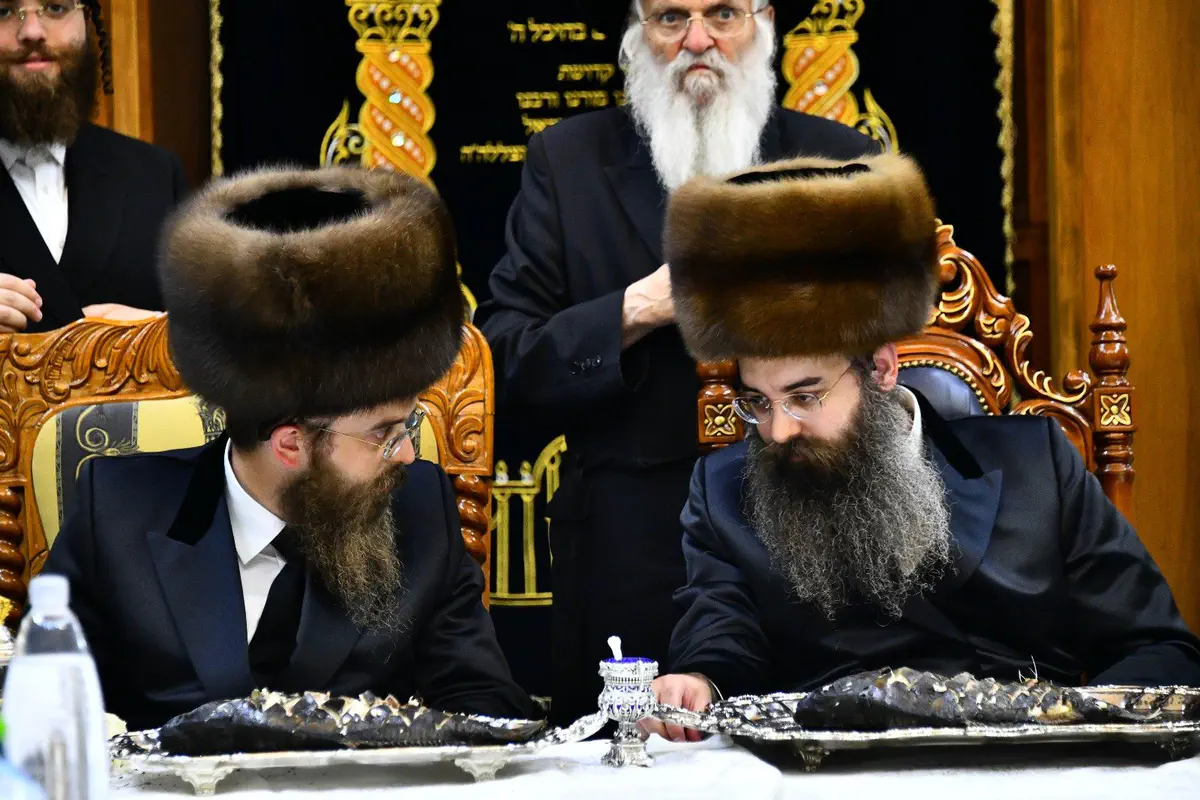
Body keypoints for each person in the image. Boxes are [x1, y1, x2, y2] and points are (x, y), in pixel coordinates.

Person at [642, 154, 1200, 741]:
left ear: (882, 369)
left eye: (805, 396)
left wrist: (1079, 728)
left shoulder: (1038, 464)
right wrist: (700, 679)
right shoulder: (724, 490)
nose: (777, 430)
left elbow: (1159, 648)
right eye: (757, 401)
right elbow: (721, 636)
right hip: (827, 769)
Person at [475, 0, 879, 724]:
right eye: (671, 17)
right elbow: (505, 360)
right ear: (637, 33)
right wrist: (638, 307)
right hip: (631, 549)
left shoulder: (842, 161)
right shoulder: (568, 162)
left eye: (722, 13)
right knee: (639, 753)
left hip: (818, 537)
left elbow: (889, 355)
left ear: (762, 23)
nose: (698, 40)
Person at [44, 166, 539, 731]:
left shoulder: (421, 504)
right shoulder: (116, 508)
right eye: (382, 433)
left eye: (408, 425)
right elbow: (45, 706)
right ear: (290, 442)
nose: (406, 454)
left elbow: (486, 704)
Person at [0, 0, 187, 333]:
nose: (31, 31)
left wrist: (156, 335)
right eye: (3, 11)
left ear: (87, 20)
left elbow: (217, 344)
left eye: (55, 7)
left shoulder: (154, 177)